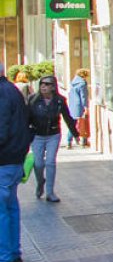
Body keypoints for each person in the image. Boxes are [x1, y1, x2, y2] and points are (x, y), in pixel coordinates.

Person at [1, 66, 34, 262]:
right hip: (13, 159)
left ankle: (5, 259)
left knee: (2, 211)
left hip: (4, 160)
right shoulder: (10, 89)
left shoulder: (3, 93)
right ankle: (13, 255)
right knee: (10, 208)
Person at [27, 75, 78, 203]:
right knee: (38, 164)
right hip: (37, 135)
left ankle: (50, 192)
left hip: (53, 135)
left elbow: (67, 117)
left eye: (47, 84)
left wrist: (75, 134)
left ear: (53, 87)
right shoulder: (33, 100)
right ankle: (40, 183)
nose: (43, 86)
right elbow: (25, 119)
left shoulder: (59, 101)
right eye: (41, 84)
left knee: (50, 162)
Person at [67, 69, 89, 149]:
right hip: (80, 105)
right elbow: (83, 96)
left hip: (72, 105)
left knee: (72, 123)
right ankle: (83, 141)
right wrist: (86, 107)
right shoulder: (82, 84)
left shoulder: (73, 83)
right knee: (83, 123)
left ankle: (69, 142)